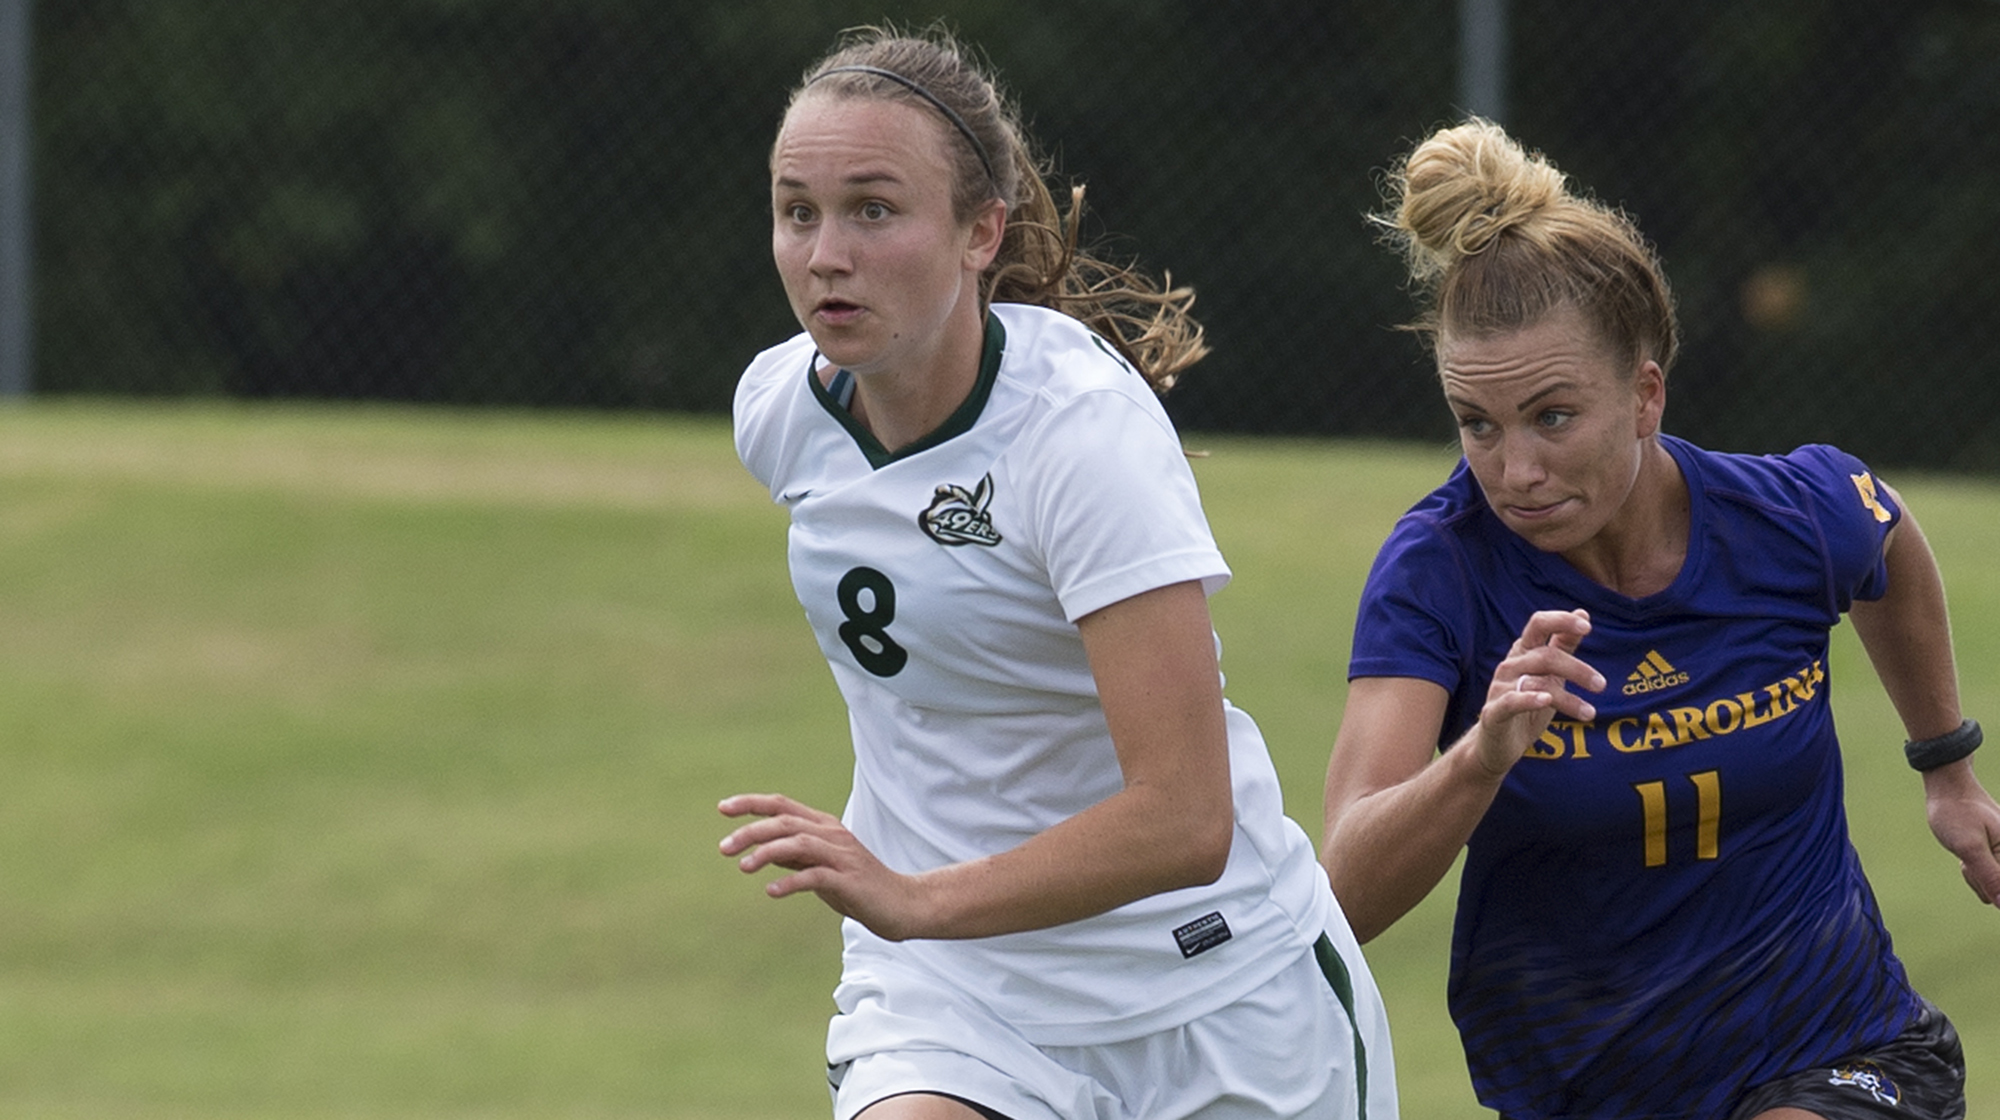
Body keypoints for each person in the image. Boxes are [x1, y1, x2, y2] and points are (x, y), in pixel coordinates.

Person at [718, 27, 1397, 1120]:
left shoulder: (1080, 439)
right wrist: (916, 914)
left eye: (873, 209)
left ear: (981, 232)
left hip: (1213, 1000)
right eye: (797, 211)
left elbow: (1183, 816)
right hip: (960, 1005)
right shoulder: (781, 410)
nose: (823, 253)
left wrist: (915, 895)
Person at [1320, 116, 2000, 1120]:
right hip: (1582, 1087)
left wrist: (1945, 765)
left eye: (1552, 416)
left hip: (1837, 1044)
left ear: (1644, 395)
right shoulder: (1440, 571)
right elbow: (1339, 893)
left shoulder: (1786, 517)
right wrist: (1479, 756)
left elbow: (1885, 537)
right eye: (1476, 425)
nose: (1514, 470)